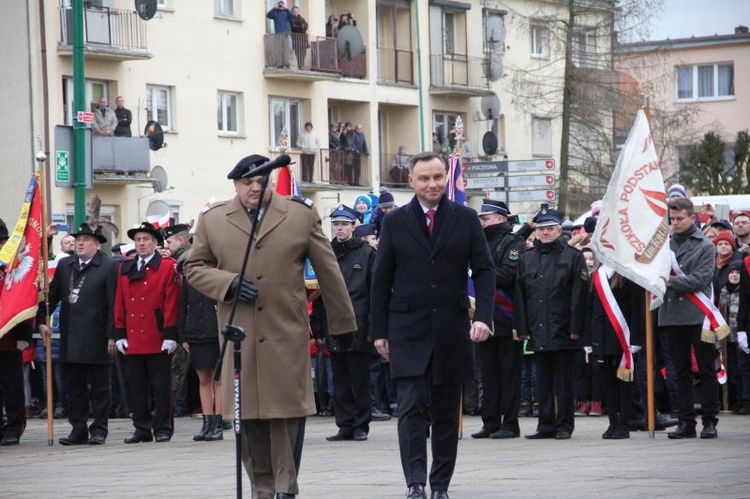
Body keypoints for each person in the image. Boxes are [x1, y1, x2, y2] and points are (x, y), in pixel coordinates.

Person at [185, 154, 356, 499]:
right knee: (246, 419)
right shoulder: (214, 220)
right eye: (246, 182)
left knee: (286, 416)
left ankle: (285, 488)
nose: (254, 187)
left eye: (261, 181)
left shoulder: (299, 214)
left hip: (284, 332)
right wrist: (228, 283)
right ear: (235, 184)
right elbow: (194, 267)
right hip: (239, 335)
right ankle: (262, 488)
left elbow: (328, 271)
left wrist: (343, 324)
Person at [371, 151, 494, 499]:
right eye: (424, 178)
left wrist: (483, 317)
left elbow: (484, 271)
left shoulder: (466, 219)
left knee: (444, 413)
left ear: (447, 178)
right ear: (411, 181)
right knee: (410, 408)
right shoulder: (394, 223)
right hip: (407, 330)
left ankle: (440, 485)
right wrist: (378, 331)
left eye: (438, 177)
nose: (433, 184)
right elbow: (381, 280)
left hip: (451, 331)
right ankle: (415, 483)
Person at [37, 223, 118, 445]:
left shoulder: (108, 266)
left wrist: (112, 334)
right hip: (71, 337)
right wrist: (40, 322)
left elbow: (114, 303)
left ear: (96, 243)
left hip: (98, 337)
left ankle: (99, 429)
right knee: (74, 387)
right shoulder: (65, 265)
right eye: (78, 239)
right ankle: (78, 429)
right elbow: (52, 296)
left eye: (85, 239)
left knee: (100, 388)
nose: (80, 243)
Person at [515, 208, 589, 440]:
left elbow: (579, 297)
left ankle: (564, 425)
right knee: (543, 381)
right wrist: (523, 328)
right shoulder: (527, 258)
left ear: (559, 230)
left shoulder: (573, 257)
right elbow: (521, 296)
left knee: (564, 382)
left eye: (549, 228)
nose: (545, 233)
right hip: (537, 328)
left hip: (564, 329)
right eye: (541, 229)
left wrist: (576, 328)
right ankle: (545, 424)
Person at [311, 204, 379, 442]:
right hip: (333, 322)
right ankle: (345, 424)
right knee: (339, 376)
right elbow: (318, 292)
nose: (339, 229)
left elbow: (374, 294)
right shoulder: (327, 252)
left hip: (359, 322)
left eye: (344, 224)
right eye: (336, 224)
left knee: (359, 377)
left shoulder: (367, 254)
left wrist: (373, 327)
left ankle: (361, 424)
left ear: (354, 226)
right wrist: (317, 327)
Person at [114, 222, 181, 444]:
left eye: (146, 239)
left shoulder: (166, 266)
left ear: (155, 243)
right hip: (134, 335)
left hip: (157, 334)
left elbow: (171, 301)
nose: (141, 244)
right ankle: (141, 428)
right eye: (138, 240)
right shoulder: (126, 267)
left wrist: (170, 334)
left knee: (161, 386)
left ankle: (163, 427)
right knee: (137, 387)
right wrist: (120, 332)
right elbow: (120, 302)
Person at [659, 197, 719, 439]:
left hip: (698, 316)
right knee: (679, 371)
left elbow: (699, 279)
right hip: (672, 315)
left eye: (680, 219)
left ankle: (709, 420)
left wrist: (666, 282)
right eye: (672, 219)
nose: (675, 223)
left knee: (706, 370)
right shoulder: (664, 245)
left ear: (692, 218)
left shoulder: (705, 246)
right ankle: (685, 422)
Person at [471, 200, 526, 440]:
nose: (482, 222)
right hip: (483, 317)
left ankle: (510, 422)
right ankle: (490, 421)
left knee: (509, 374)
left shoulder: (514, 242)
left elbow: (508, 273)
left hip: (506, 317)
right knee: (488, 375)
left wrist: (479, 274)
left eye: (486, 218)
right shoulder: (478, 243)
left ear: (501, 218)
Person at [586, 267, 645, 439]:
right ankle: (612, 421)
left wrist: (635, 340)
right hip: (601, 336)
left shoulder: (628, 275)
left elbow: (636, 309)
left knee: (624, 382)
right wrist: (589, 340)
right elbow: (589, 309)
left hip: (622, 338)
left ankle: (624, 423)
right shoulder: (596, 277)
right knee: (607, 381)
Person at [177, 251, 223, 441]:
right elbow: (182, 307)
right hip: (196, 332)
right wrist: (183, 336)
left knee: (218, 380)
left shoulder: (217, 278)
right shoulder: (189, 282)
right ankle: (207, 423)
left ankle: (218, 424)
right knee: (203, 379)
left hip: (216, 333)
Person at [0, 220, 32, 446]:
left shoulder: (14, 266)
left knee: (12, 387)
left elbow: (24, 301)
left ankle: (14, 426)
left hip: (9, 339)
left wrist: (24, 337)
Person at [161, 224, 193, 417]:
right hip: (189, 320)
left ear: (181, 240)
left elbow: (185, 294)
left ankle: (171, 408)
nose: (168, 245)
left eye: (170, 241)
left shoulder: (186, 259)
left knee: (179, 368)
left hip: (189, 321)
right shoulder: (180, 258)